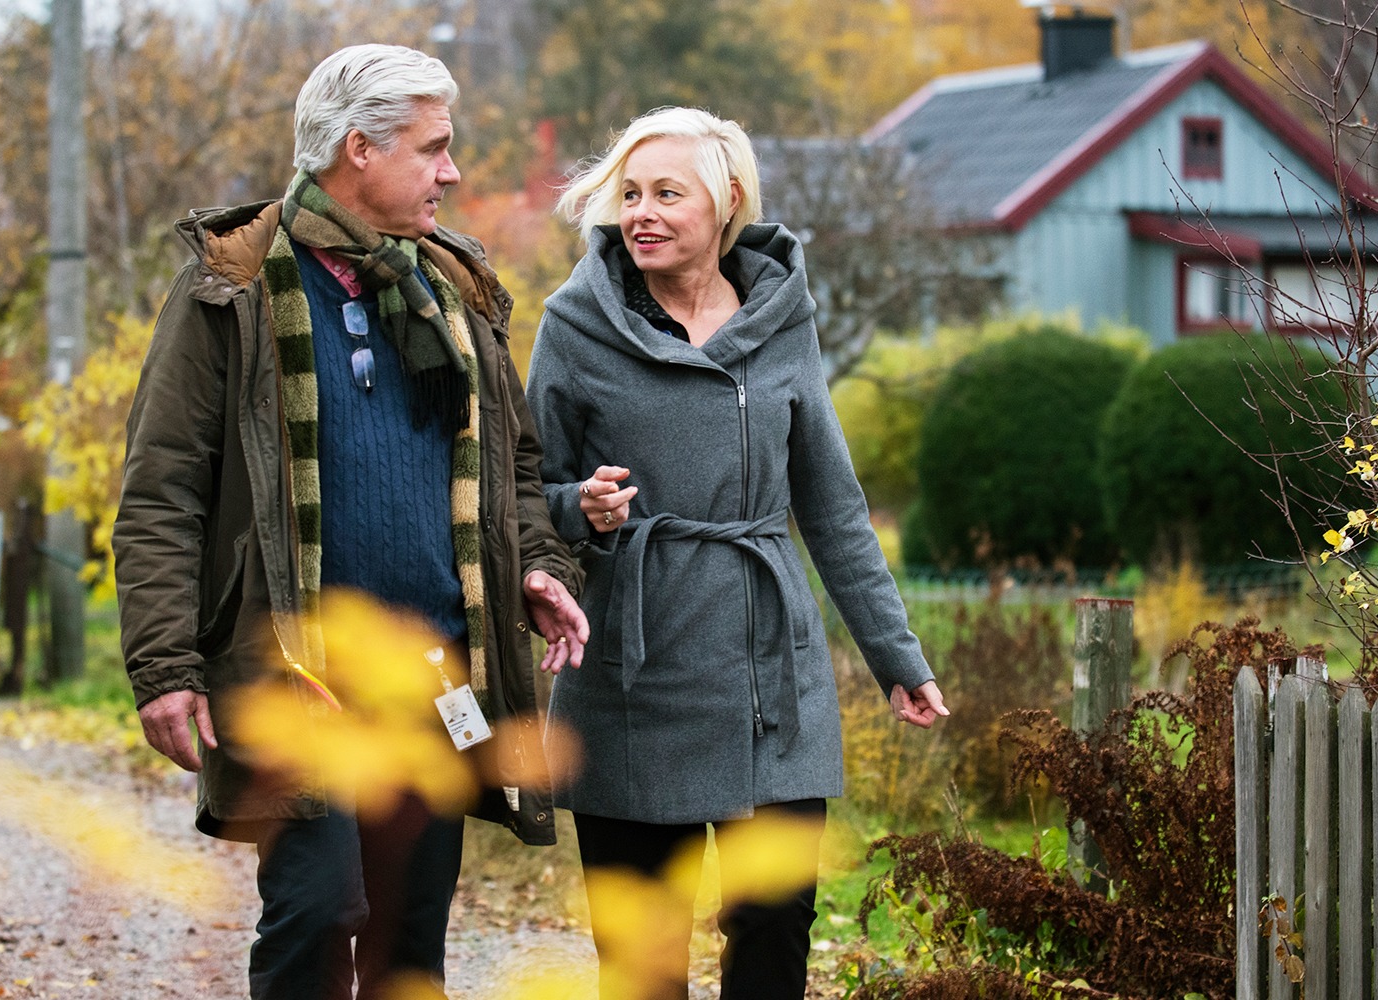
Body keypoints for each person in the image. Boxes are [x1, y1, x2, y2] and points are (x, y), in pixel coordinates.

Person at [112, 44, 589, 1000]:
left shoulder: (457, 292)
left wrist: (539, 564)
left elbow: (515, 466)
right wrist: (164, 667)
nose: (452, 171)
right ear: (359, 151)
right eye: (434, 148)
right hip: (296, 677)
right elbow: (163, 490)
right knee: (318, 912)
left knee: (411, 938)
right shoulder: (233, 289)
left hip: (435, 676)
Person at [525, 107, 950, 999]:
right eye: (629, 194)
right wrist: (582, 508)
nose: (641, 212)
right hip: (635, 672)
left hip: (771, 674)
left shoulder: (781, 320)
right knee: (643, 960)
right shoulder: (573, 325)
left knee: (775, 924)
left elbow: (831, 505)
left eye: (667, 194)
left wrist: (895, 656)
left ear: (725, 204)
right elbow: (527, 494)